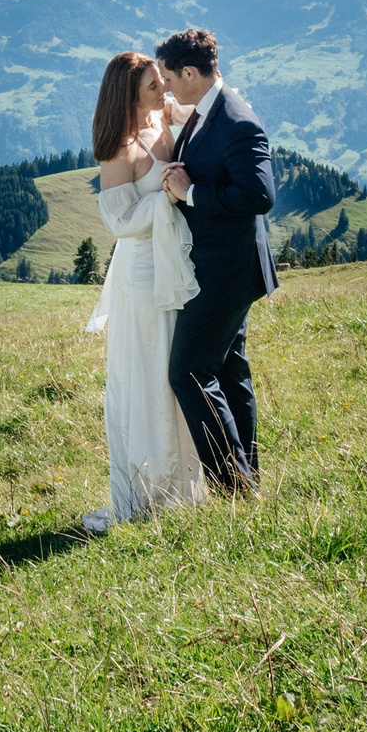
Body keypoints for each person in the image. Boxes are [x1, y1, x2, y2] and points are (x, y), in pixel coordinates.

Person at [80, 52, 206, 532]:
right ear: (129, 95)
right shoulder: (120, 149)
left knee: (176, 370)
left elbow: (207, 107)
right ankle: (150, 491)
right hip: (142, 275)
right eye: (154, 85)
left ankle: (185, 484)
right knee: (148, 374)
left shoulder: (163, 118)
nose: (165, 89)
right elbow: (117, 221)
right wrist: (167, 199)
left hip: (174, 266)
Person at [154, 26, 276, 496]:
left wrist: (192, 192)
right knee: (229, 370)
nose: (166, 88)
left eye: (168, 79)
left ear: (190, 72)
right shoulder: (208, 110)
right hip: (224, 265)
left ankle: (234, 486)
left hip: (226, 270)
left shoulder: (237, 120)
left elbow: (260, 195)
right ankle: (248, 480)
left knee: (187, 371)